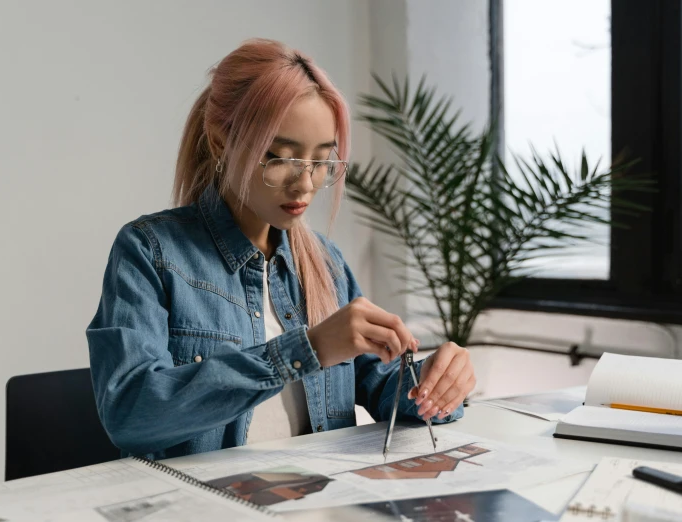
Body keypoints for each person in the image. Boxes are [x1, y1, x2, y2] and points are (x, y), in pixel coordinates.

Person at [87, 38, 475, 460]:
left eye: (321, 161)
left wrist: (438, 384)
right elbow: (129, 415)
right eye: (281, 157)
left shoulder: (326, 265)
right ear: (220, 142)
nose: (305, 184)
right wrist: (305, 351)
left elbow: (386, 392)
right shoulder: (151, 252)